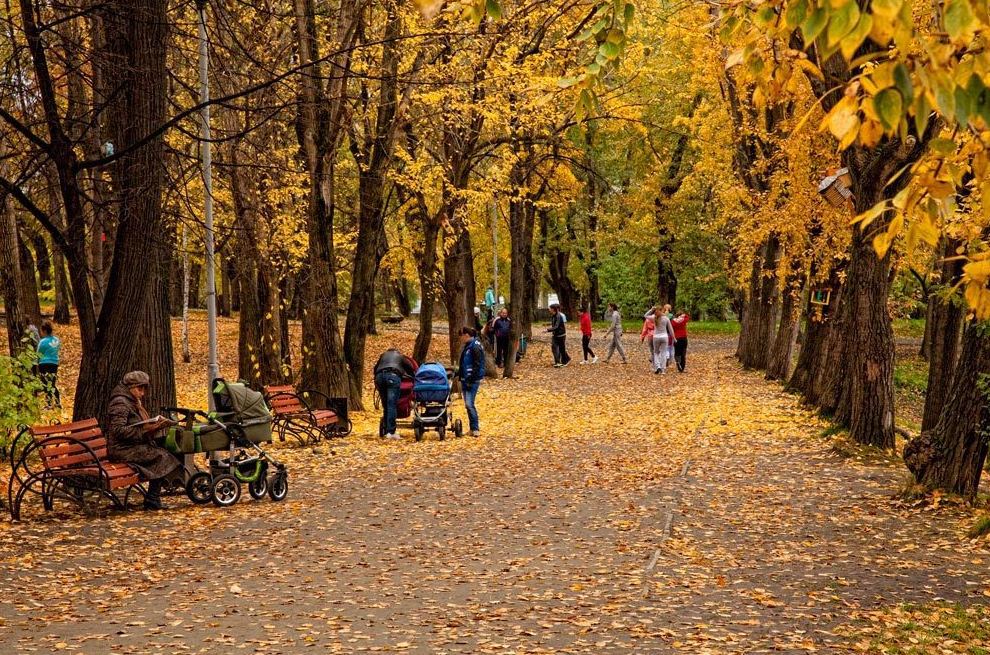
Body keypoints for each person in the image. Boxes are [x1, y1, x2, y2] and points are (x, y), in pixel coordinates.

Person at [107, 371, 180, 510]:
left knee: (167, 449)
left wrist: (154, 426)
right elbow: (118, 431)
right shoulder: (120, 403)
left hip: (132, 445)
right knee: (161, 456)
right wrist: (145, 430)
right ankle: (152, 499)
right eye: (139, 389)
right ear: (130, 387)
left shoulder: (132, 401)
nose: (142, 393)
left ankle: (154, 497)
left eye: (144, 389)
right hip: (121, 449)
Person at [374, 348, 418, 440]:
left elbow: (375, 368)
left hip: (379, 377)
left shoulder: (383, 356)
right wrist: (413, 377)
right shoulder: (400, 357)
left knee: (386, 405)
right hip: (392, 376)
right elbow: (410, 369)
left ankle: (386, 430)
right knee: (392, 405)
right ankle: (391, 432)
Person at [457, 327, 485, 436]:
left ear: (466, 335)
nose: (461, 339)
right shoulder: (469, 346)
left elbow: (477, 364)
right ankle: (473, 428)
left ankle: (475, 428)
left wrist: (471, 379)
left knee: (469, 404)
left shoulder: (475, 346)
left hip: (471, 379)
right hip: (466, 378)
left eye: (462, 336)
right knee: (468, 404)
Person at [36, 321, 61, 409]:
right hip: (54, 363)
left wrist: (36, 362)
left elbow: (38, 353)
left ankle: (49, 404)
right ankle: (58, 402)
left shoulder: (42, 342)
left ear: (45, 331)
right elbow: (58, 349)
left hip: (44, 364)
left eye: (41, 331)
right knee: (52, 383)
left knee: (46, 384)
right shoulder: (57, 340)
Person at [646, 306, 676, 374]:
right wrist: (674, 338)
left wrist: (651, 309)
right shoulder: (666, 318)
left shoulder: (654, 317)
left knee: (656, 352)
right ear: (662, 310)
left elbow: (645, 315)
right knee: (663, 353)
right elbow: (671, 329)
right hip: (664, 337)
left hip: (656, 337)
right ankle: (663, 370)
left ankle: (658, 366)